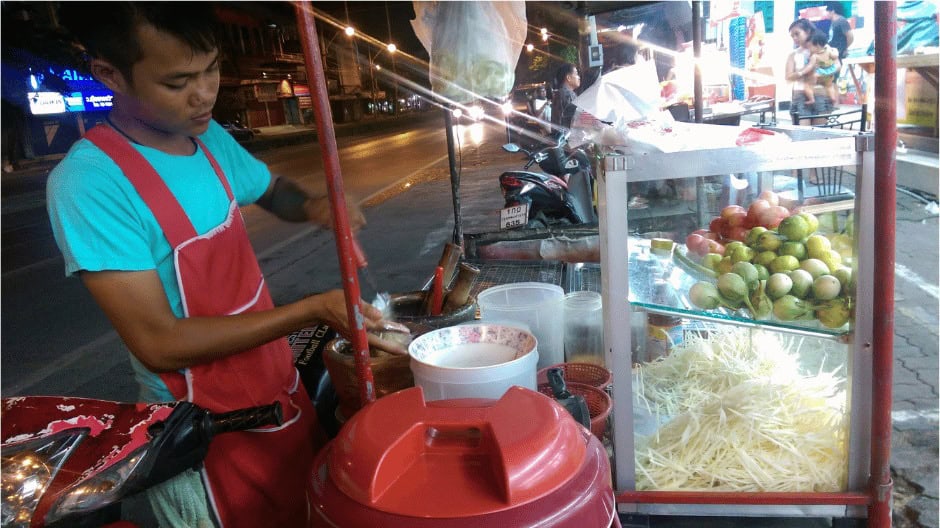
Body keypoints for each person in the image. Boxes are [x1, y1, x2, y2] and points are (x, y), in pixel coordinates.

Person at [48, 3, 405, 527]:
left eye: (211, 69)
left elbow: (271, 190)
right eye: (178, 82)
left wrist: (316, 207)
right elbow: (159, 342)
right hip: (199, 433)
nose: (204, 94)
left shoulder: (206, 137)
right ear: (109, 74)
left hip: (277, 391)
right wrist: (312, 310)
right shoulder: (91, 183)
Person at [785, 19, 834, 119]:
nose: (794, 38)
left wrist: (823, 72)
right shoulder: (793, 54)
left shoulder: (824, 49)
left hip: (821, 94)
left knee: (820, 128)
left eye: (797, 34)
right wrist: (804, 72)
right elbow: (788, 77)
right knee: (802, 127)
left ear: (808, 31)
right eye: (792, 36)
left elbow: (837, 66)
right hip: (801, 95)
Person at [797, 31, 841, 109]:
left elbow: (810, 66)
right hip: (829, 75)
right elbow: (835, 56)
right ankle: (833, 99)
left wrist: (802, 72)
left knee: (807, 85)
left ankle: (811, 99)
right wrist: (835, 52)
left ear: (817, 45)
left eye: (810, 47)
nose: (809, 49)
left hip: (818, 75)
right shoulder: (828, 50)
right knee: (829, 86)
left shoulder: (814, 56)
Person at [552, 63, 581, 130]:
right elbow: (576, 120)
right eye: (576, 74)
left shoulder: (560, 93)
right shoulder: (568, 95)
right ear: (568, 78)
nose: (579, 77)